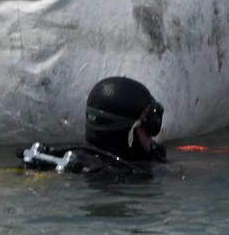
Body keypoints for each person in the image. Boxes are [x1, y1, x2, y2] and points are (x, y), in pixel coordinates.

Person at [19, 76, 168, 177]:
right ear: (125, 132)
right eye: (151, 125)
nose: (153, 136)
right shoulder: (130, 174)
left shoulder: (69, 159)